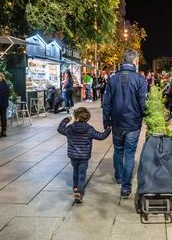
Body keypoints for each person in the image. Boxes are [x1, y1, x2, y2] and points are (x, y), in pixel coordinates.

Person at [103, 49, 147, 199]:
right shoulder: (140, 80)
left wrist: (106, 120)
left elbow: (106, 102)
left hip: (116, 122)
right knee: (129, 154)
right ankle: (126, 187)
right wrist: (146, 115)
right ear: (134, 61)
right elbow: (143, 103)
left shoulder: (112, 78)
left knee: (118, 150)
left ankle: (119, 177)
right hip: (133, 123)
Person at [57, 107, 111, 203]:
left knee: (75, 170)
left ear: (76, 118)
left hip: (73, 155)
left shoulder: (70, 129)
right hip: (84, 157)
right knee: (82, 173)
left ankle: (75, 186)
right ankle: (79, 192)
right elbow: (101, 136)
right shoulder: (89, 129)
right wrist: (108, 130)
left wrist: (65, 120)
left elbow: (60, 129)